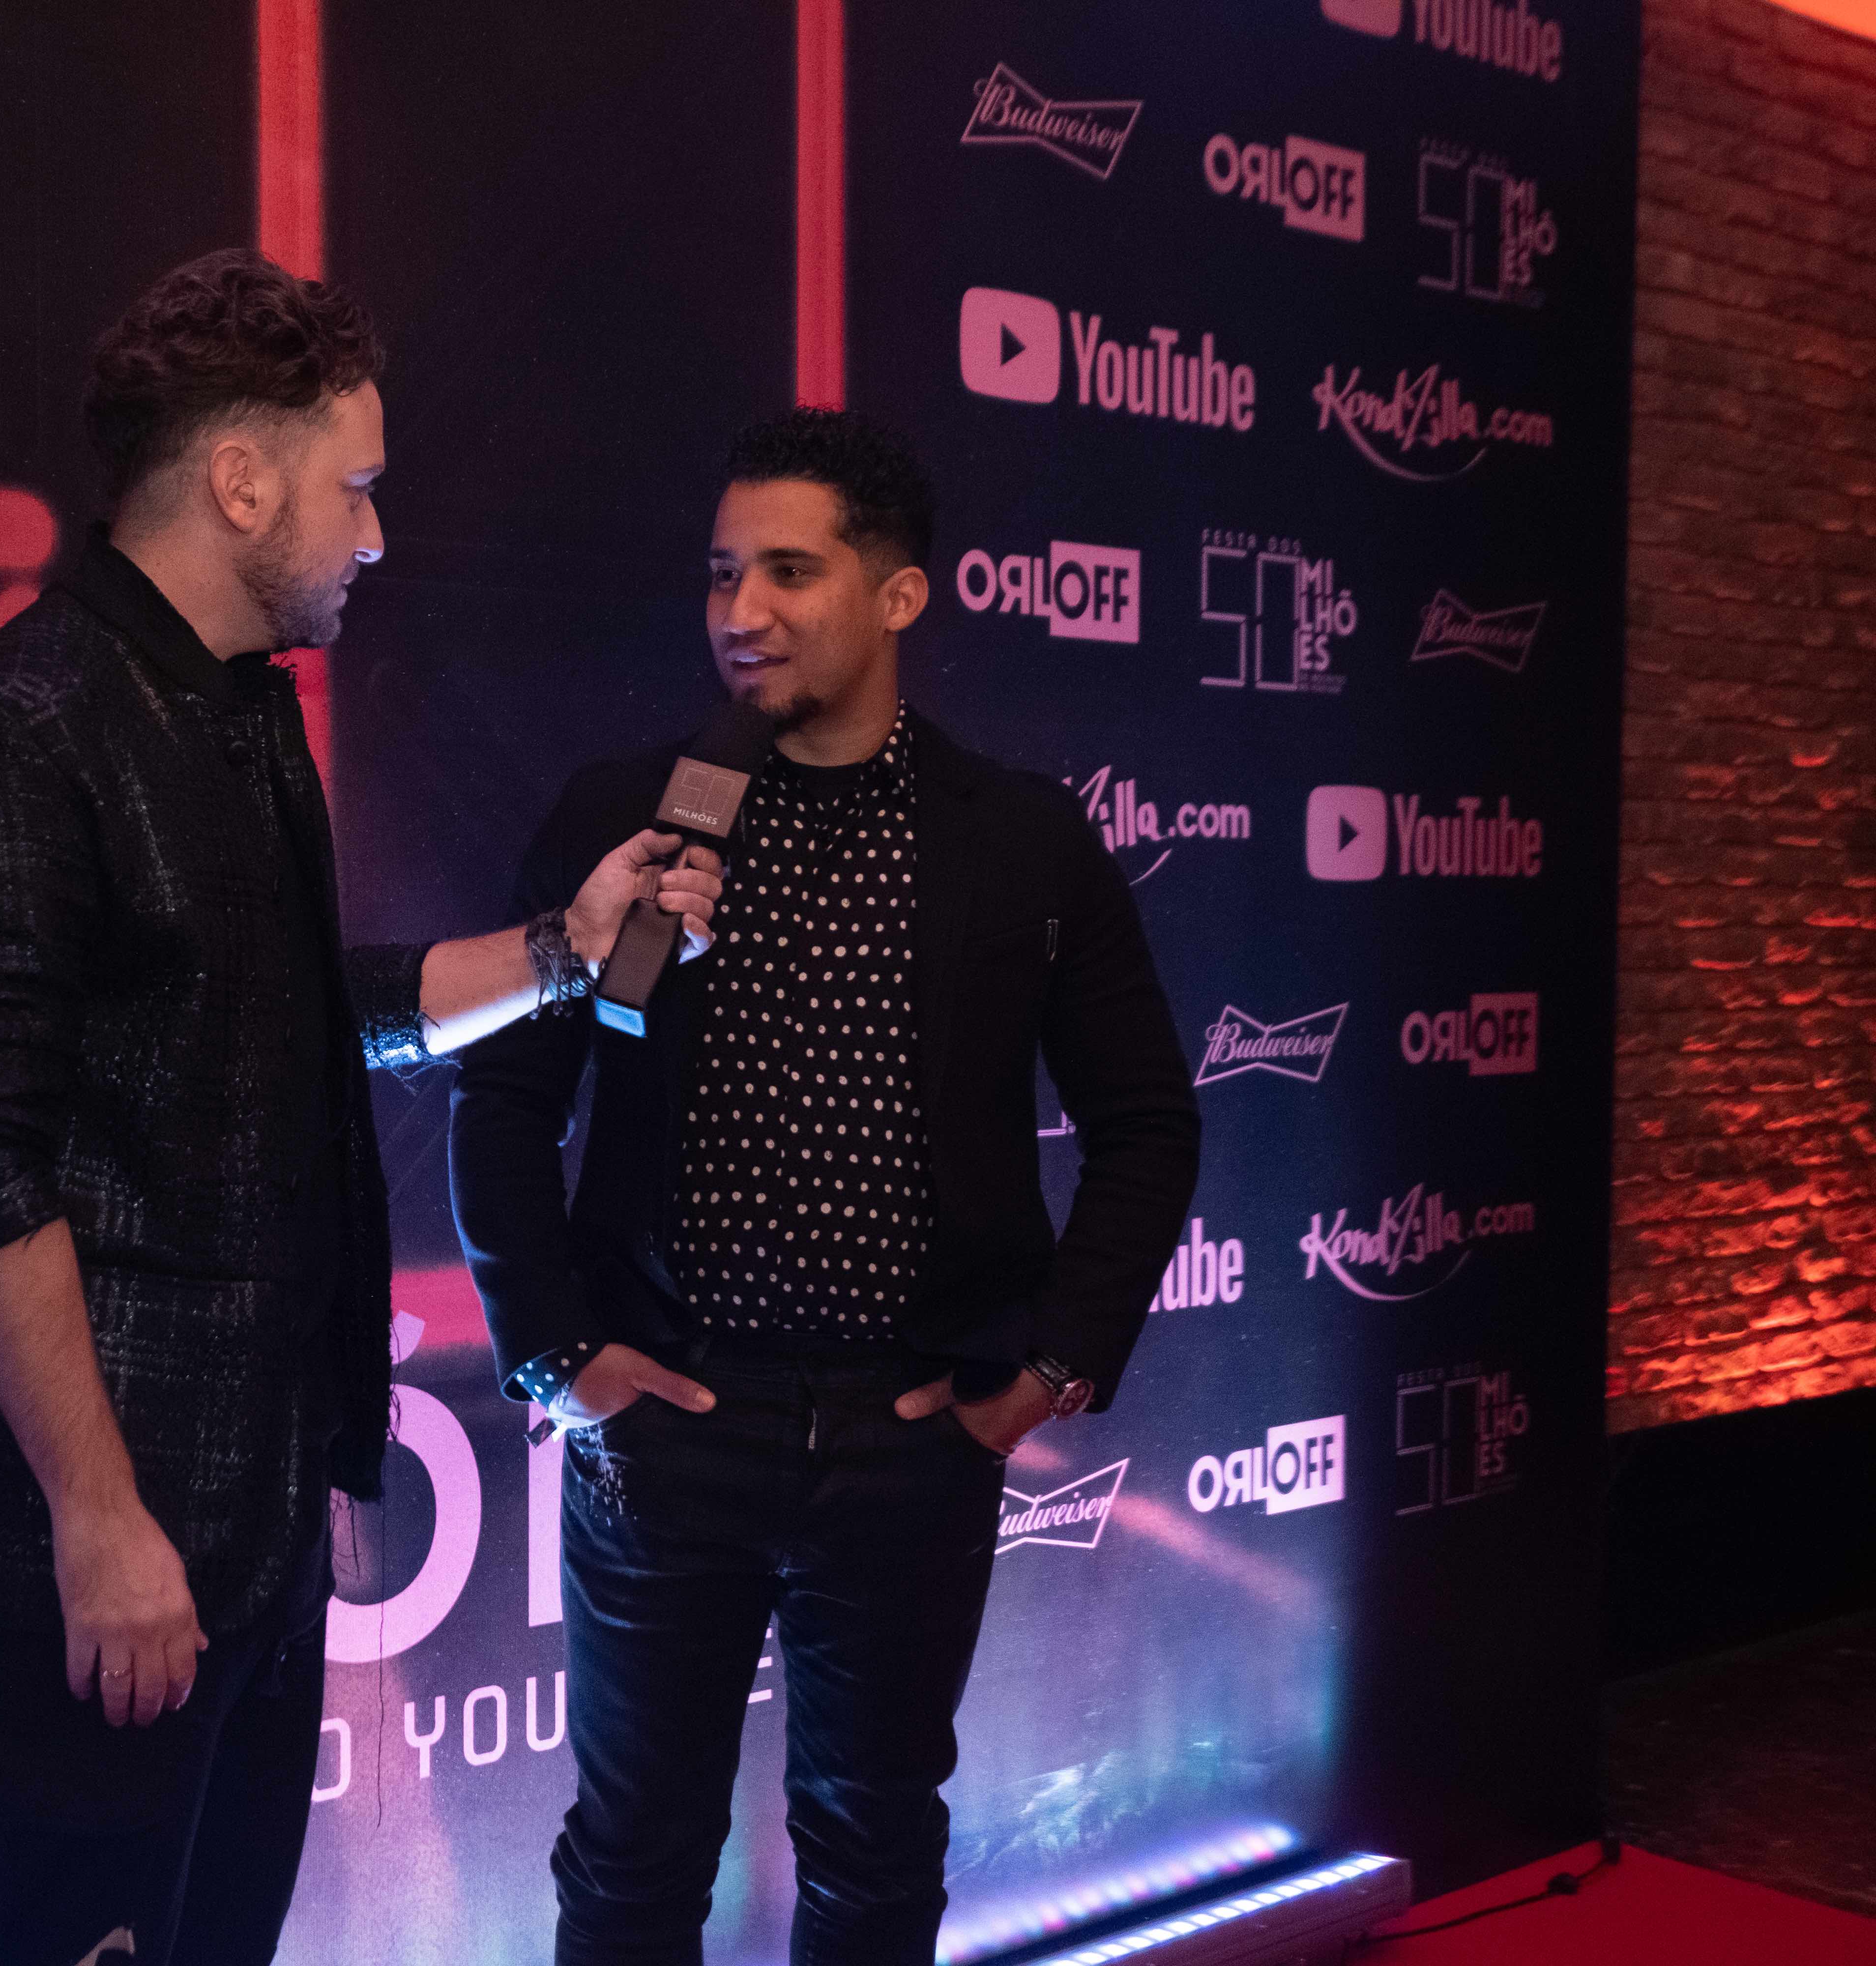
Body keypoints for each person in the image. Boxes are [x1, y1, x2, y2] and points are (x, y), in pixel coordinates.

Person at [0, 247, 722, 1966]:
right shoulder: (22, 730)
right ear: (240, 480)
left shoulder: (238, 713)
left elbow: (300, 1017)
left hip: (254, 1539)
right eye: (356, 487)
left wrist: (568, 954)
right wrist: (98, 1513)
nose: (376, 534)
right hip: (98, 1556)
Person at [448, 407, 1202, 1966]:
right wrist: (559, 1359)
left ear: (899, 593)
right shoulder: (628, 817)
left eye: (789, 571)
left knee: (875, 1853)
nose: (743, 610)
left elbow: (1146, 1123)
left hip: (910, 1439)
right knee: (631, 1861)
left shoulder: (1023, 842)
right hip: (671, 1434)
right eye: (724, 574)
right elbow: (506, 1097)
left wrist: (1044, 1374)